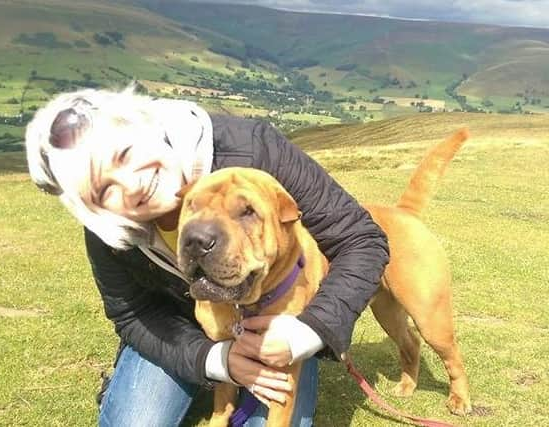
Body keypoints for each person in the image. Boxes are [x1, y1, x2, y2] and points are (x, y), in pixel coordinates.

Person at [25, 85, 390, 427]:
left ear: (146, 129)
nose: (132, 185)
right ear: (93, 208)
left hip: (278, 318)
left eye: (126, 154)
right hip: (179, 328)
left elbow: (362, 240)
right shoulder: (108, 229)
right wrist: (216, 360)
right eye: (105, 190)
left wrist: (308, 331)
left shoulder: (253, 149)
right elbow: (131, 313)